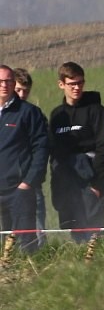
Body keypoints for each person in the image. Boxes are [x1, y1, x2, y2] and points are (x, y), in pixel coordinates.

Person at [49, 62, 104, 243]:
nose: (77, 88)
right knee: (75, 231)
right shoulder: (57, 115)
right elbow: (53, 151)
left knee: (93, 236)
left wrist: (96, 182)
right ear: (61, 84)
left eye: (80, 83)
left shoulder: (97, 111)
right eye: (72, 84)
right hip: (66, 181)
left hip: (91, 179)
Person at [0, 64, 48, 254]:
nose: (4, 85)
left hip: (18, 190)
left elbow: (41, 149)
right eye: (0, 81)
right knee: (4, 246)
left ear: (14, 83)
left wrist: (28, 182)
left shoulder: (28, 113)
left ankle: (30, 275)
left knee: (25, 242)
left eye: (8, 81)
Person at [12, 68, 46, 243]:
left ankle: (39, 261)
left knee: (36, 229)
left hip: (29, 182)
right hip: (6, 183)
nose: (22, 94)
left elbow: (41, 148)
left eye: (26, 91)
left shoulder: (33, 114)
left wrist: (30, 179)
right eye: (18, 90)